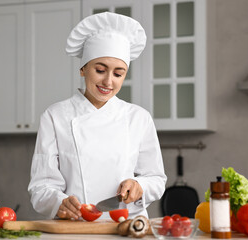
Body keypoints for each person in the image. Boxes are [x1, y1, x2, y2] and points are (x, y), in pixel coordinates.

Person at [28, 12, 167, 220]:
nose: (108, 82)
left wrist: (139, 186)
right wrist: (59, 202)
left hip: (127, 227)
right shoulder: (55, 116)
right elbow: (41, 187)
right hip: (75, 227)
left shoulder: (138, 118)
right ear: (83, 69)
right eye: (100, 70)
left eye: (118, 74)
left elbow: (156, 178)